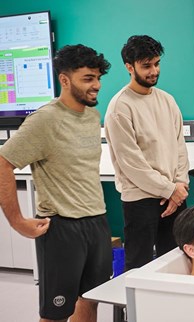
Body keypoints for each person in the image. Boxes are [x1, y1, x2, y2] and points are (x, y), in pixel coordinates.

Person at [0, 44, 112, 322]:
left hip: (96, 221)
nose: (96, 85)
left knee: (91, 299)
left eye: (98, 77)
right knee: (56, 313)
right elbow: (3, 164)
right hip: (61, 228)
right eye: (88, 78)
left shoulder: (92, 116)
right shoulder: (44, 120)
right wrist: (16, 221)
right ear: (64, 79)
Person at [105, 35, 190, 270]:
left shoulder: (168, 101)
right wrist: (170, 189)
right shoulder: (120, 107)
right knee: (139, 264)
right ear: (129, 67)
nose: (154, 71)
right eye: (146, 66)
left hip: (174, 194)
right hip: (140, 199)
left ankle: (169, 307)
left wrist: (179, 186)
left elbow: (179, 148)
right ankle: (133, 309)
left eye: (157, 63)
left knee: (176, 260)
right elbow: (132, 164)